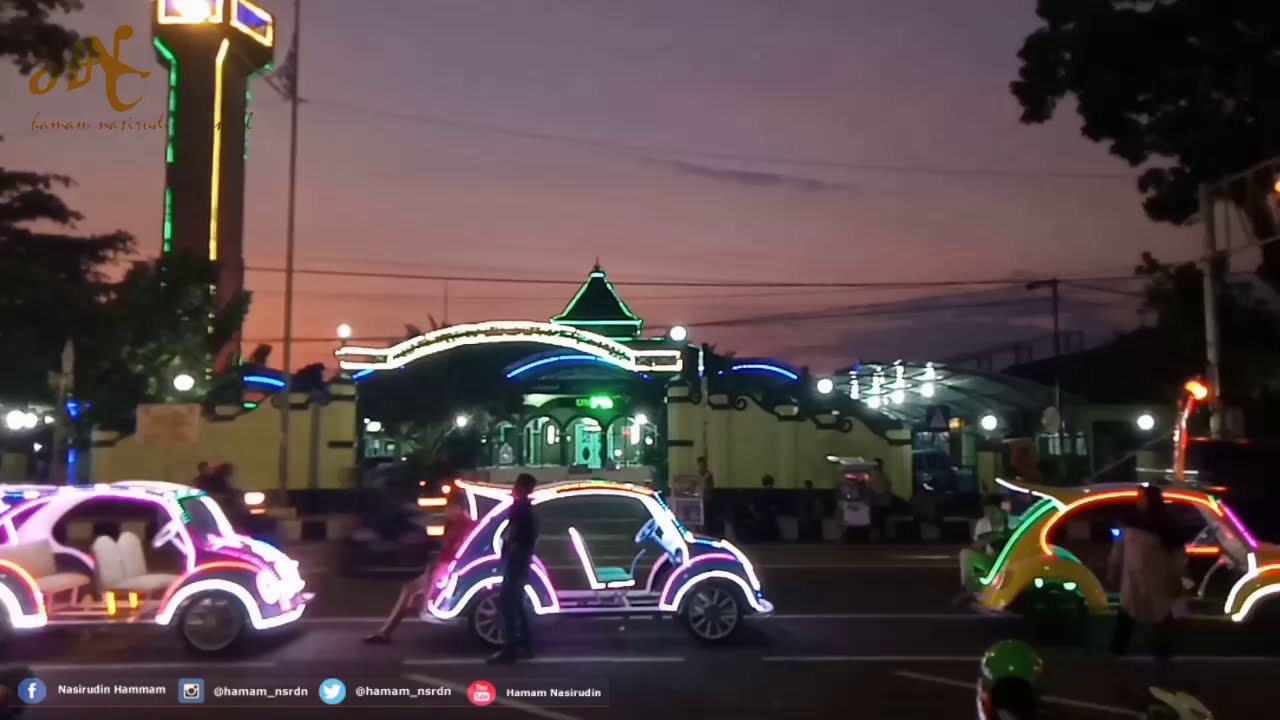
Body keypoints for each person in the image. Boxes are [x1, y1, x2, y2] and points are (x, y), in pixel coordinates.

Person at [364, 492, 476, 644]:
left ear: (458, 508)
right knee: (408, 589)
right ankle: (385, 632)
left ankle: (388, 630)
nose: (447, 512)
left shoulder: (467, 526)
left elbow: (460, 552)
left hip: (449, 570)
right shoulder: (453, 524)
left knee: (416, 598)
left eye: (449, 508)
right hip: (440, 567)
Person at [1108, 484, 1186, 673]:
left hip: (1140, 580)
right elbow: (1178, 557)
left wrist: (1113, 572)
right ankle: (1162, 654)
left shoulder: (1132, 524)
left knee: (1130, 612)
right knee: (1157, 615)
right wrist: (1177, 580)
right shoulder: (1167, 525)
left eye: (1142, 498)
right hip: (1154, 580)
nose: (1139, 501)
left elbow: (1118, 553)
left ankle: (1118, 651)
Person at [489, 473, 539, 664]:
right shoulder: (530, 510)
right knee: (516, 601)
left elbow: (513, 532)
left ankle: (509, 649)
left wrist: (506, 549)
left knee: (507, 601)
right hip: (524, 557)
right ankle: (525, 645)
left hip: (516, 557)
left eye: (516, 484)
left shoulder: (519, 508)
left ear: (521, 487)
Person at [959, 495, 1011, 593]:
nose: (990, 515)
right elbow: (975, 547)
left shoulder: (1015, 522)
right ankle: (970, 589)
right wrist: (985, 541)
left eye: (993, 511)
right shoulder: (982, 523)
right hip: (991, 561)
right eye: (987, 511)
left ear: (1002, 511)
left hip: (1011, 561)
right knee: (965, 553)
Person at [868, 458, 893, 540]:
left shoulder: (875, 477)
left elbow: (876, 490)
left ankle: (878, 537)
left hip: (877, 503)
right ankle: (880, 537)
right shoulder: (883, 476)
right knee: (880, 522)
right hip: (882, 503)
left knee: (877, 521)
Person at [696, 456, 716, 533]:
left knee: (706, 515)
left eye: (702, 464)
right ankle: (700, 530)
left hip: (706, 498)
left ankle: (706, 530)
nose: (700, 466)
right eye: (699, 464)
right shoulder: (697, 474)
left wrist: (708, 492)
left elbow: (711, 486)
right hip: (698, 498)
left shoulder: (708, 475)